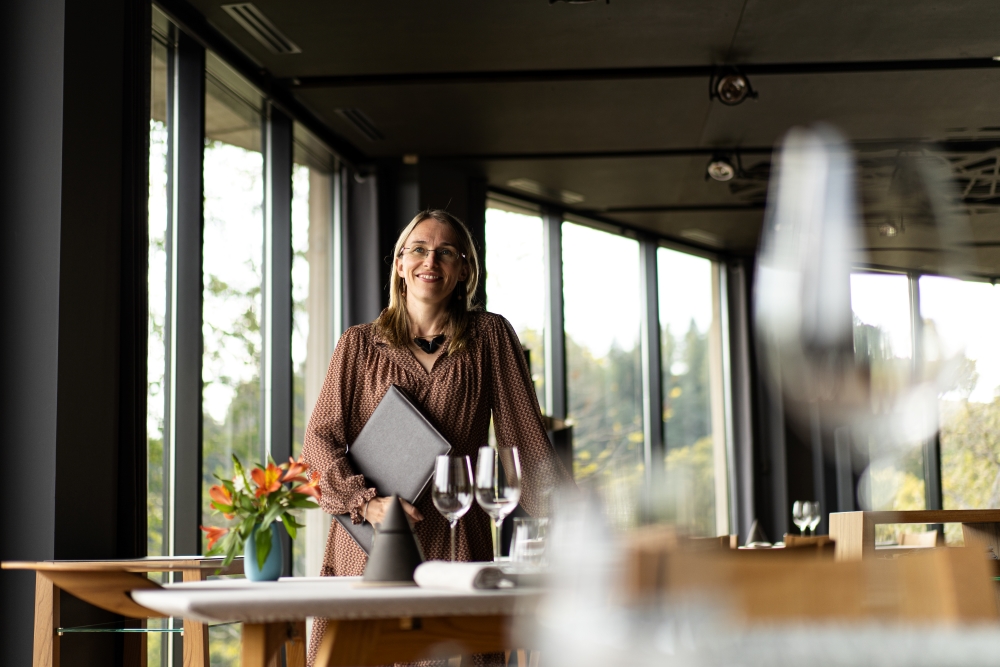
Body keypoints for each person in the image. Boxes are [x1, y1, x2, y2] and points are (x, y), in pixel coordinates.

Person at [302, 209, 572, 664]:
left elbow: (527, 447)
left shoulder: (490, 336)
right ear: (401, 265)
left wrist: (578, 528)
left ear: (464, 268)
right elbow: (319, 441)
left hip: (456, 545)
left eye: (446, 251)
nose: (432, 260)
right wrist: (367, 504)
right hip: (373, 545)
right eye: (419, 250)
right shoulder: (358, 344)